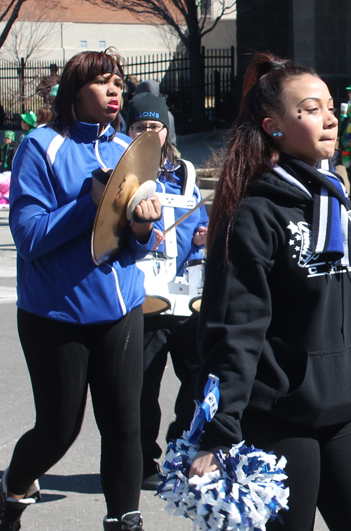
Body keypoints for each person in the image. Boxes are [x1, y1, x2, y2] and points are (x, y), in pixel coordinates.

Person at [189, 52, 351, 531]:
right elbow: (237, 327)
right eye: (310, 109)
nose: (330, 118)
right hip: (279, 419)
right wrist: (220, 429)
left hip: (350, 411)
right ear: (273, 127)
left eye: (329, 106)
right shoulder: (254, 213)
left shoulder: (336, 198)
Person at [0, 49, 161, 531]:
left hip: (120, 307)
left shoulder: (129, 149)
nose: (114, 91)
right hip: (55, 314)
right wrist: (92, 204)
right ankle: (12, 491)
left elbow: (139, 242)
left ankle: (124, 522)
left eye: (119, 84)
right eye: (103, 82)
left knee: (125, 425)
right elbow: (29, 237)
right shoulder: (40, 147)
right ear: (74, 91)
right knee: (59, 430)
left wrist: (145, 228)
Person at [125, 92, 208, 490]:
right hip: (144, 300)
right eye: (138, 126)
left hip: (189, 297)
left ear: (165, 130)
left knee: (196, 382)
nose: (145, 132)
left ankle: (181, 451)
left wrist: (208, 235)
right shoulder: (119, 172)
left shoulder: (187, 174)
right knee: (142, 387)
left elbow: (201, 222)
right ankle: (142, 462)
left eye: (153, 126)